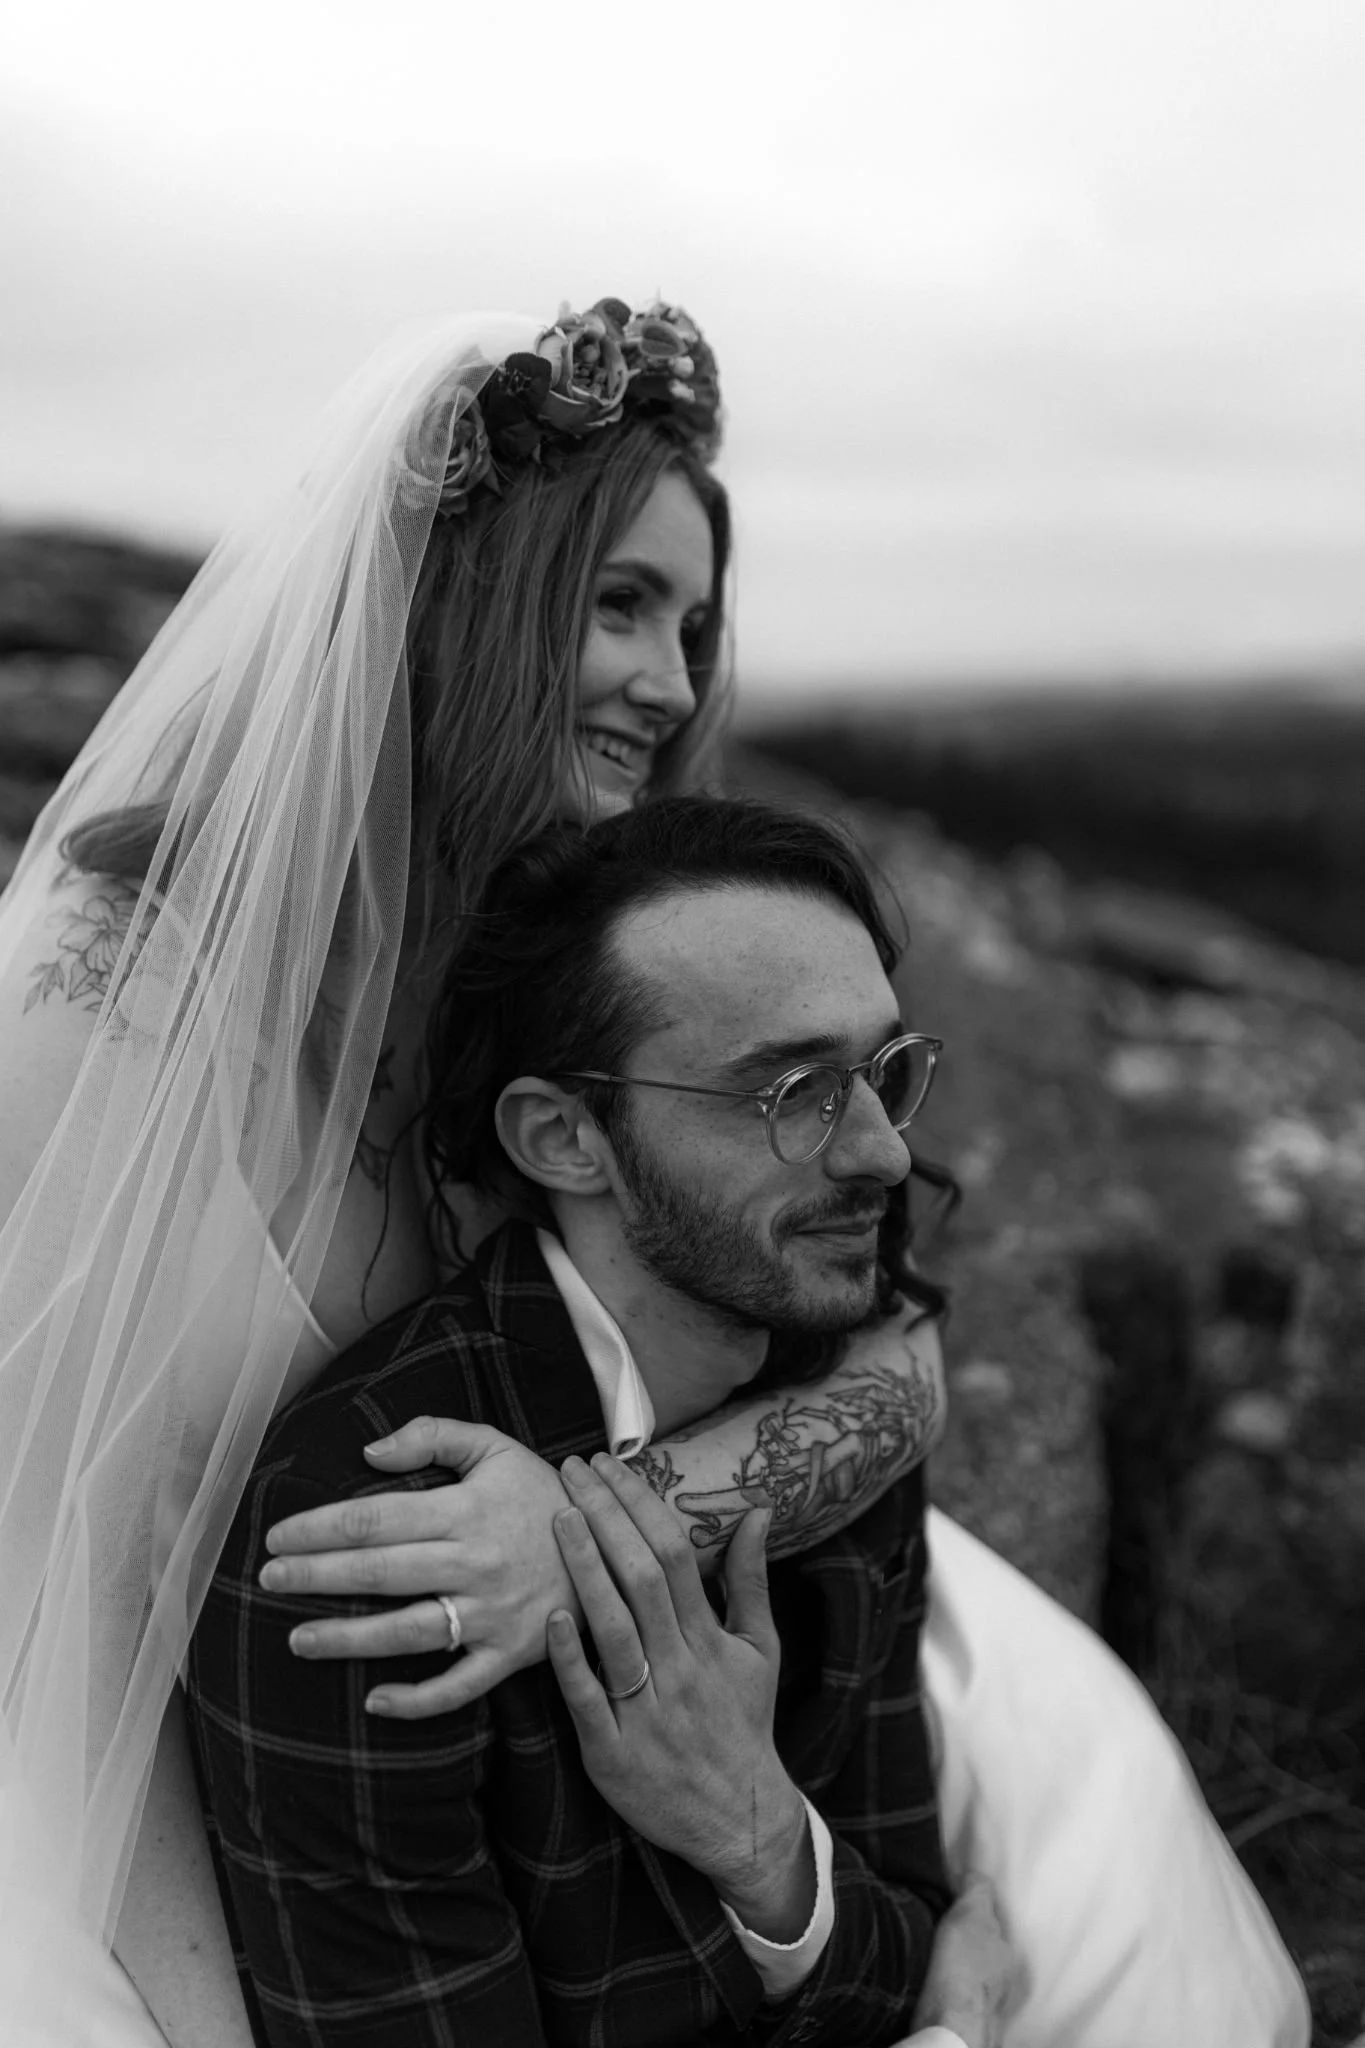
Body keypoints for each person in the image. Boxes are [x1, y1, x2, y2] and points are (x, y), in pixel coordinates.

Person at [0, 300, 950, 2045]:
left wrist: (589, 1532)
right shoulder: (110, 1006)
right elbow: (69, 1591)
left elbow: (899, 1357)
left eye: (695, 625)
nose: (674, 684)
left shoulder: (574, 964)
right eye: (620, 604)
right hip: (138, 1751)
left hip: (506, 1716)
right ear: (475, 601)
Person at [187, 794, 1009, 2048]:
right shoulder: (376, 1540)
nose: (884, 1155)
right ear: (566, 1136)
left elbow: (916, 1929)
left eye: (886, 1073)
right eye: (791, 1089)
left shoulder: (839, 1403)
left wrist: (759, 1840)